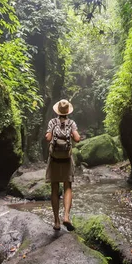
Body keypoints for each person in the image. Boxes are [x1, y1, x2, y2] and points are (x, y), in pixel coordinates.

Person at [45, 98, 80, 231]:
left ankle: (56, 222)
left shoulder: (52, 122)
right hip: (66, 159)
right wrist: (71, 133)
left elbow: (48, 138)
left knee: (54, 189)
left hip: (54, 159)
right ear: (68, 112)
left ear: (58, 111)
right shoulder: (71, 123)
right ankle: (66, 216)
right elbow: (77, 139)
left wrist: (51, 132)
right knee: (68, 187)